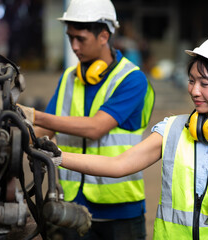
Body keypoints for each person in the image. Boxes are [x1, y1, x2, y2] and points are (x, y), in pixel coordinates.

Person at [38, 32, 208, 239]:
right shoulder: (173, 130)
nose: (194, 91)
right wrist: (58, 156)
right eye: (191, 81)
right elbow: (118, 165)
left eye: (204, 84)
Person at [18, 0, 155, 239]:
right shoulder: (70, 78)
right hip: (73, 208)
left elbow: (95, 128)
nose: (73, 46)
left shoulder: (131, 79)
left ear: (104, 36)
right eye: (70, 37)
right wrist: (14, 132)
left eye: (80, 38)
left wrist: (33, 114)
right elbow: (43, 130)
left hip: (120, 211)